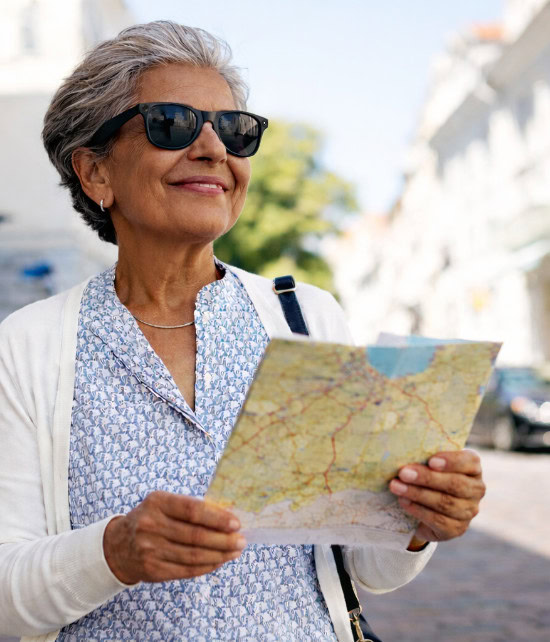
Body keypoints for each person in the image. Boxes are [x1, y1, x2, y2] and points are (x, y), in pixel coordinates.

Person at [0, 21, 486, 642]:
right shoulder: (30, 344)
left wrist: (421, 519)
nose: (213, 150)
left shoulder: (305, 317)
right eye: (171, 124)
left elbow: (370, 565)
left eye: (234, 130)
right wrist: (113, 552)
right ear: (95, 172)